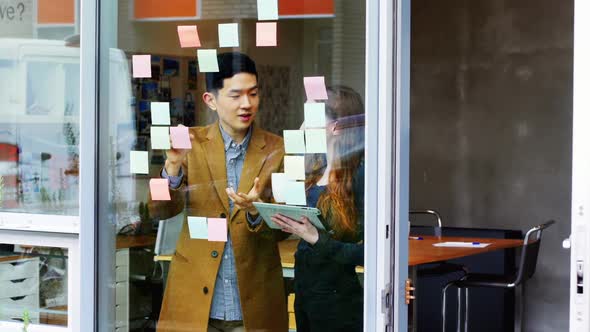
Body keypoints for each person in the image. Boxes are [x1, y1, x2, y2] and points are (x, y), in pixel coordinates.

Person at [149, 52, 288, 332]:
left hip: (252, 304)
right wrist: (172, 168)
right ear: (210, 100)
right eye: (235, 95)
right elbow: (159, 211)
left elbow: (286, 228)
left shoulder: (277, 149)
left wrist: (255, 213)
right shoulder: (191, 143)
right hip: (196, 304)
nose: (246, 104)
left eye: (253, 94)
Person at [272, 85, 365, 332]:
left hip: (339, 303)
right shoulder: (314, 171)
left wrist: (316, 238)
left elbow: (371, 253)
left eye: (311, 120)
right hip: (305, 295)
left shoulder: (360, 177)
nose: (303, 126)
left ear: (335, 127)